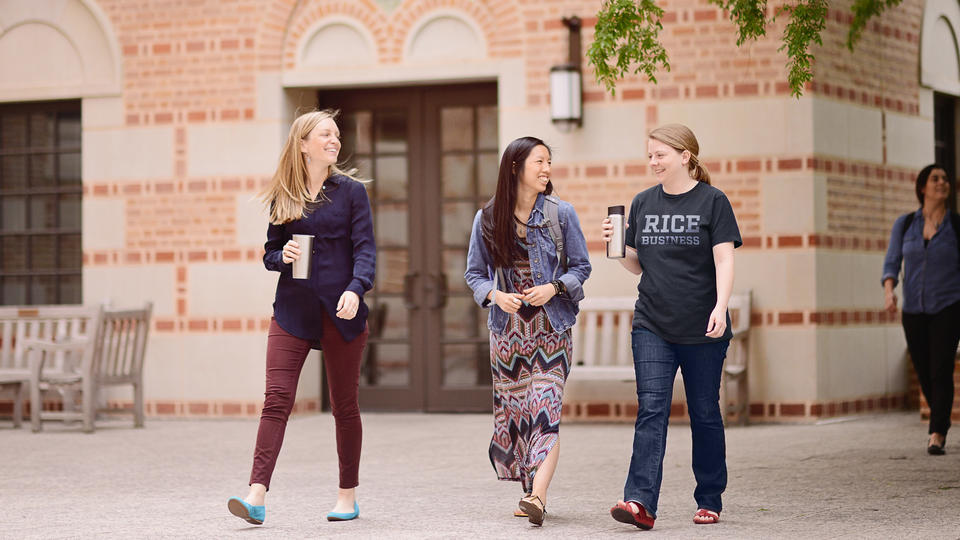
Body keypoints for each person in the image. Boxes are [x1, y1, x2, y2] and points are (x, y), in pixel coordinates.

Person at [227, 109, 375, 524]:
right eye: (325, 134)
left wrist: (356, 287)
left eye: (337, 135)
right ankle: (255, 495)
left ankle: (347, 496)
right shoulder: (284, 193)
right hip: (292, 309)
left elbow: (366, 249)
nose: (334, 140)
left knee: (344, 406)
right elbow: (270, 251)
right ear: (303, 143)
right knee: (276, 399)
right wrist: (283, 256)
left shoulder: (351, 192)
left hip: (341, 310)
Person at [601, 124, 741, 529]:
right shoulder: (643, 202)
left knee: (704, 412)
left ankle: (710, 497)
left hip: (702, 326)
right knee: (652, 409)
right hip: (652, 325)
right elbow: (638, 263)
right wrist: (618, 249)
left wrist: (721, 306)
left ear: (686, 156)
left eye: (660, 154)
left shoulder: (713, 202)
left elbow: (724, 260)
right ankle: (639, 502)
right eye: (649, 155)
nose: (653, 162)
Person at [464, 136, 591, 526]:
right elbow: (474, 274)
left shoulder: (560, 213)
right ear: (516, 166)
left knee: (546, 407)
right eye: (539, 161)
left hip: (551, 328)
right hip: (509, 334)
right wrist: (495, 295)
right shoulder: (487, 219)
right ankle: (528, 486)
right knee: (520, 415)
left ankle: (538, 495)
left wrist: (553, 287)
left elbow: (581, 267)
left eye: (549, 162)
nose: (546, 169)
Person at [882, 164, 960, 455]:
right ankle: (940, 418)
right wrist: (890, 292)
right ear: (922, 188)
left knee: (941, 368)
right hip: (914, 309)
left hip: (949, 307)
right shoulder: (905, 225)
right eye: (935, 179)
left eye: (945, 179)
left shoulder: (956, 226)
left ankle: (937, 431)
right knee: (925, 369)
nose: (942, 183)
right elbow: (892, 262)